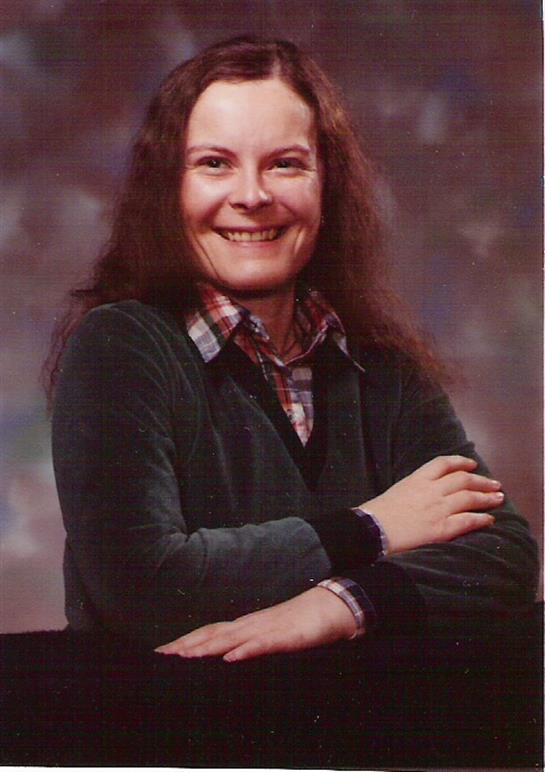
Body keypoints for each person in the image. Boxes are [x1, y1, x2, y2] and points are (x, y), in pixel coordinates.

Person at [47, 36, 538, 659]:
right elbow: (141, 583)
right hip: (168, 737)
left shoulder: (383, 364)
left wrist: (339, 605)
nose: (252, 196)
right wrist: (374, 526)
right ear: (168, 190)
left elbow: (504, 551)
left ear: (326, 185)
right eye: (214, 164)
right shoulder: (121, 347)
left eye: (285, 163)